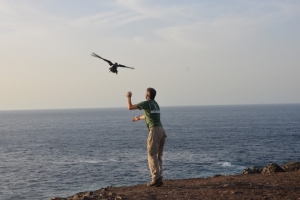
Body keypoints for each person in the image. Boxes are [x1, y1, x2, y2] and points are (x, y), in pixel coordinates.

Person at [126, 88, 167, 187]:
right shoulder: (155, 104)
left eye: (145, 93)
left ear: (147, 95)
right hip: (161, 130)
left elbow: (130, 107)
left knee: (151, 153)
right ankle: (159, 177)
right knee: (158, 155)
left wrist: (128, 97)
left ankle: (156, 178)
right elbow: (149, 115)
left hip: (154, 130)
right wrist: (138, 118)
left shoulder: (146, 103)